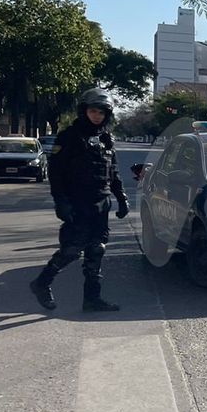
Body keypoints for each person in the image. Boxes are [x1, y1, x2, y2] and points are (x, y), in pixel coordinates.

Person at [29, 87, 129, 312]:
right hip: (77, 203)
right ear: (84, 111)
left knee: (97, 249)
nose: (97, 116)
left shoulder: (106, 139)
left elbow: (113, 173)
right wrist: (61, 202)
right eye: (93, 111)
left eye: (102, 112)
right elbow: (56, 173)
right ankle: (41, 283)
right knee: (72, 250)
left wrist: (122, 198)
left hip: (101, 203)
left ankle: (92, 298)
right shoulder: (70, 137)